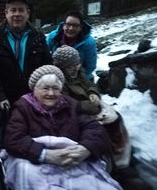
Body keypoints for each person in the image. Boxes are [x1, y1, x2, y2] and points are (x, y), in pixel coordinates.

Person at [2, 65, 123, 190]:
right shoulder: (23, 108)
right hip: (37, 161)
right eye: (45, 88)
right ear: (34, 89)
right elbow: (13, 139)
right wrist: (46, 155)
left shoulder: (70, 105)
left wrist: (85, 148)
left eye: (55, 88)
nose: (51, 93)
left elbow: (94, 128)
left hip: (72, 160)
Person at [52, 45, 152, 190]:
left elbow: (89, 84)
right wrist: (91, 105)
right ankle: (114, 165)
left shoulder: (78, 72)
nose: (75, 67)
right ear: (62, 67)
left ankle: (123, 157)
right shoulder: (60, 81)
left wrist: (93, 92)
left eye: (76, 64)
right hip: (76, 113)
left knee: (116, 118)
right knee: (103, 129)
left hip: (91, 105)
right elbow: (67, 102)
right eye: (70, 66)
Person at [0, 0, 51, 175]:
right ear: (6, 13)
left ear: (28, 13)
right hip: (7, 98)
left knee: (34, 132)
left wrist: (45, 93)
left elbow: (48, 65)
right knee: (7, 133)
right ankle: (0, 166)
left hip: (33, 97)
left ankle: (28, 169)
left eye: (21, 10)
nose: (17, 14)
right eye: (13, 10)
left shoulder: (38, 37)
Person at [46, 10, 97, 81]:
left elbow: (90, 67)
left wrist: (73, 78)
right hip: (55, 74)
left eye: (75, 26)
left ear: (80, 27)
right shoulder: (53, 36)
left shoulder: (88, 42)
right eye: (68, 24)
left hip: (79, 77)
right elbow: (45, 55)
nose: (71, 28)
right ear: (63, 25)